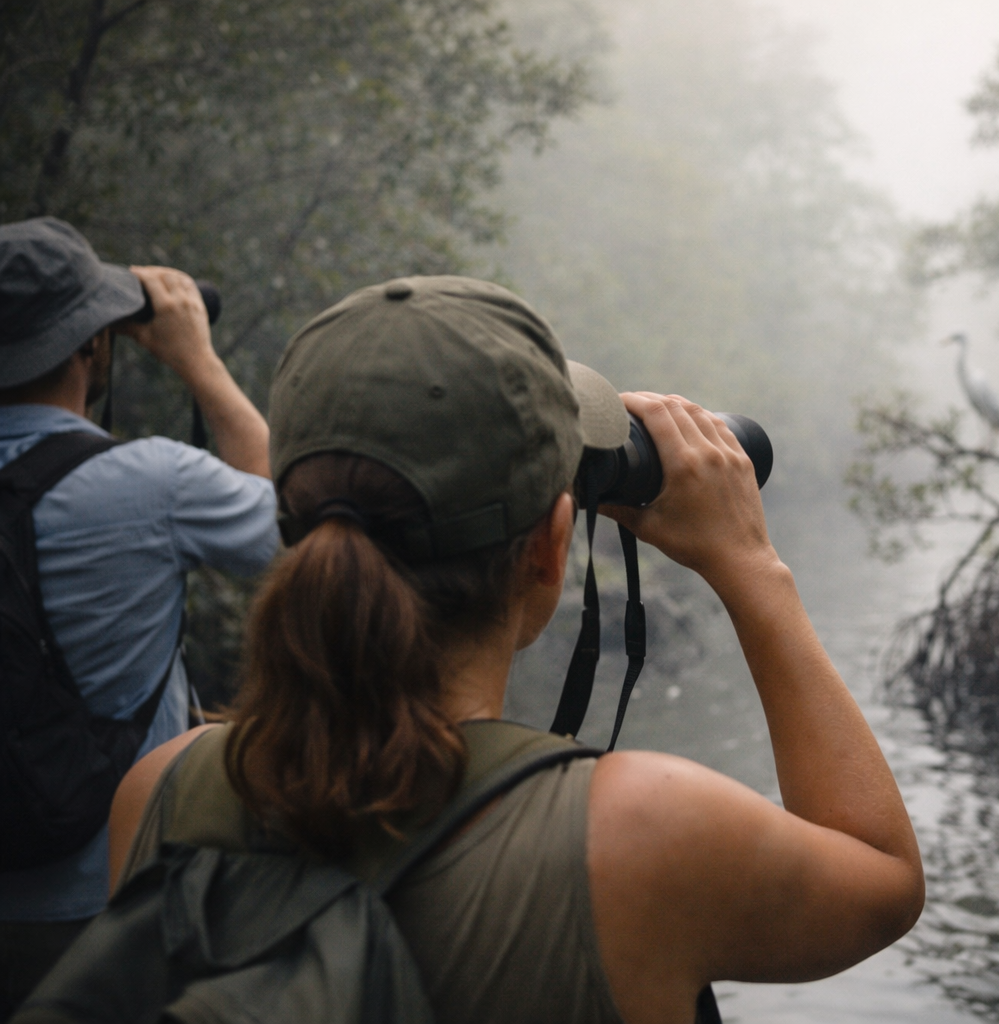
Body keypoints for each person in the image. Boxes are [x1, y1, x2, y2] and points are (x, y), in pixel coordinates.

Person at [105, 276, 925, 1024]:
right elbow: (884, 877)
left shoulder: (163, 792)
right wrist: (752, 567)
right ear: (549, 547)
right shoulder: (638, 834)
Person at [0, 217, 278, 1016]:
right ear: (91, 347)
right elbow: (286, 537)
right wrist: (199, 362)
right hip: (106, 905)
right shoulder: (152, 484)